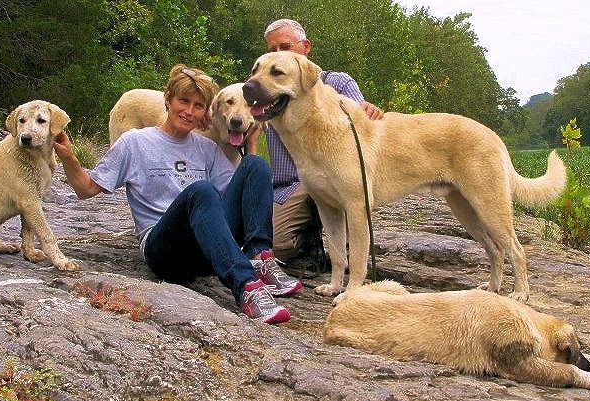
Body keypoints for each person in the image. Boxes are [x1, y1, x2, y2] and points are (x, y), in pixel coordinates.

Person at [53, 64, 302, 324]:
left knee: (256, 165)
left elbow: (239, 200)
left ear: (205, 111)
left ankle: (261, 258)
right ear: (168, 100)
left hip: (208, 249)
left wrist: (250, 144)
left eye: (198, 106)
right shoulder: (135, 142)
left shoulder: (207, 148)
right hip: (164, 251)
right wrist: (69, 157)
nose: (189, 111)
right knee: (201, 191)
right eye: (183, 102)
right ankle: (247, 288)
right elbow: (85, 189)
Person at [248, 18, 384, 263]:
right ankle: (309, 238)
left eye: (285, 46)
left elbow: (365, 129)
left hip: (336, 174)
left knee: (354, 230)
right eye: (272, 50)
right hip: (291, 185)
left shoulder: (338, 83)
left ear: (306, 47)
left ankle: (349, 251)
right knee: (277, 246)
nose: (277, 54)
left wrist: (369, 112)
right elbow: (235, 118)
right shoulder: (266, 91)